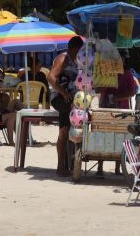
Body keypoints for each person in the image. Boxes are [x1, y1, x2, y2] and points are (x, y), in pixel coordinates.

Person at [96, 50, 138, 177]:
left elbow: (132, 92)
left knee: (121, 136)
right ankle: (99, 167)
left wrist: (117, 97)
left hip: (122, 109)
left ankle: (118, 167)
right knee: (103, 133)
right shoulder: (106, 72)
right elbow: (97, 88)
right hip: (105, 108)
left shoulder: (127, 74)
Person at [47, 36, 83, 177]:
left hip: (72, 101)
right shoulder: (63, 58)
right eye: (79, 51)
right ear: (72, 48)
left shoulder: (79, 61)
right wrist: (64, 93)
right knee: (64, 131)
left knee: (71, 130)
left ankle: (70, 164)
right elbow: (50, 77)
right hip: (60, 99)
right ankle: (60, 166)